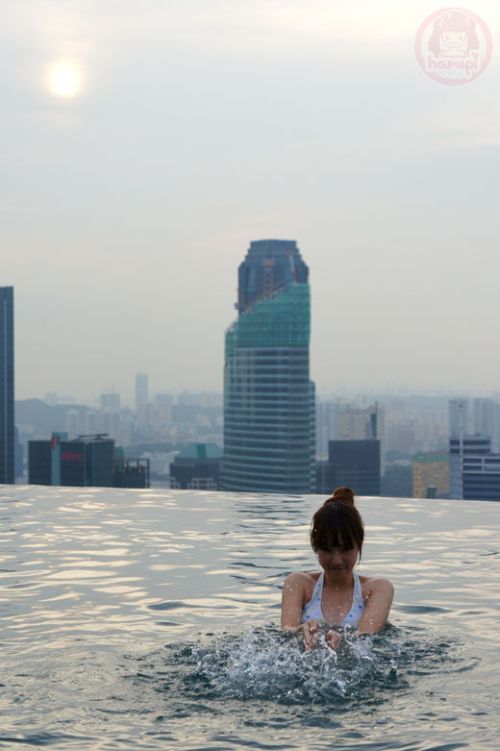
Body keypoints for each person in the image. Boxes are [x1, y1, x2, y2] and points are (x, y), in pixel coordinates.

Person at [281, 487, 394, 650]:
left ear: (359, 545)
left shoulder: (377, 589)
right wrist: (300, 631)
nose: (336, 560)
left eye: (345, 549)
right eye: (327, 549)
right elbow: (286, 631)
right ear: (315, 547)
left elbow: (367, 635)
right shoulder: (299, 584)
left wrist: (345, 640)